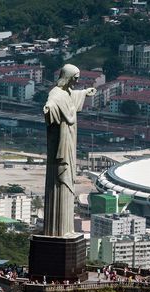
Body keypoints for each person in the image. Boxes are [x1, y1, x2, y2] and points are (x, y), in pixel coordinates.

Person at [43, 64, 96, 237]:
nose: (77, 81)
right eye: (75, 78)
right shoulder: (56, 94)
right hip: (61, 145)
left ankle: (66, 230)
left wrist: (84, 92)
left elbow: (72, 96)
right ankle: (57, 231)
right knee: (60, 181)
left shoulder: (66, 93)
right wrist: (49, 109)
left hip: (70, 141)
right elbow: (52, 102)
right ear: (67, 77)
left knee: (68, 183)